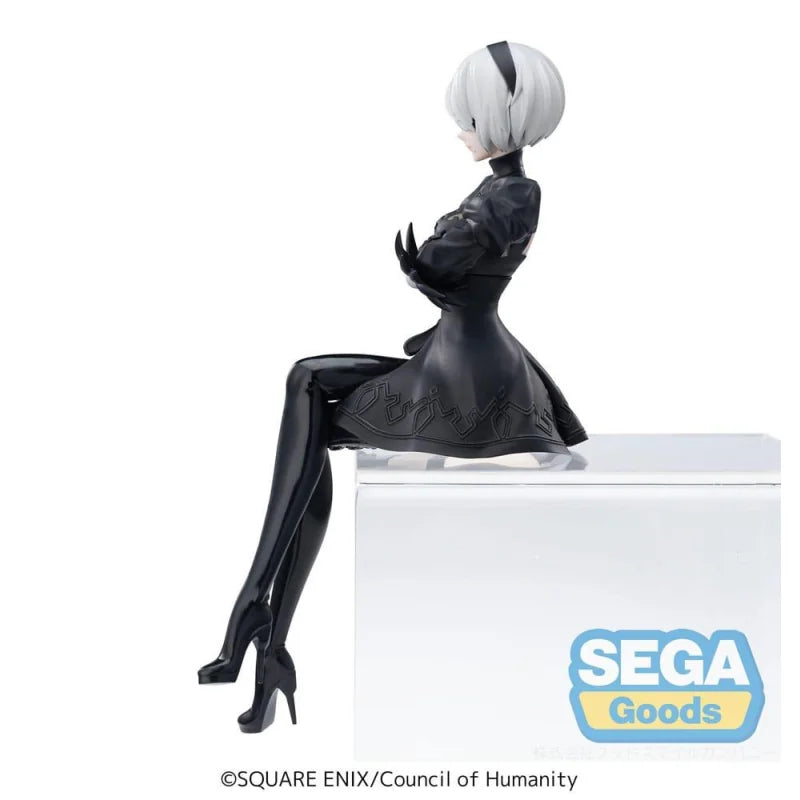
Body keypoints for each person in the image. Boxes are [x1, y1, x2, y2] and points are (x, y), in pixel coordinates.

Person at [198, 41, 586, 733]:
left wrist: (422, 263)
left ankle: (254, 610)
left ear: (501, 117)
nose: (460, 131)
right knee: (310, 406)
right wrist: (426, 264)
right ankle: (268, 641)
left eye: (469, 119)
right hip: (455, 352)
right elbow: (444, 263)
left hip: (467, 374)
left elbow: (440, 260)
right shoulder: (504, 191)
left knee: (308, 384)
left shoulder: (512, 192)